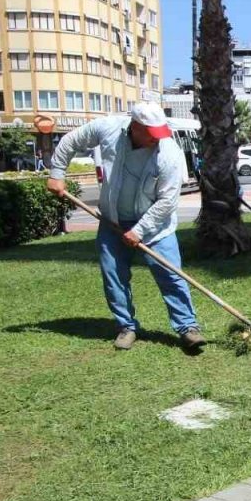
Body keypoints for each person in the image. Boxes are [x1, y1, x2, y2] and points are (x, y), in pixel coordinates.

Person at [46, 102, 205, 353]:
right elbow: (70, 141)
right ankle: (126, 327)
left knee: (171, 275)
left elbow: (167, 202)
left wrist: (139, 231)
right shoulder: (107, 128)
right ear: (136, 126)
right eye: (151, 135)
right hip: (113, 221)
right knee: (114, 278)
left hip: (155, 226)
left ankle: (188, 328)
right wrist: (57, 172)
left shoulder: (169, 153)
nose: (156, 140)